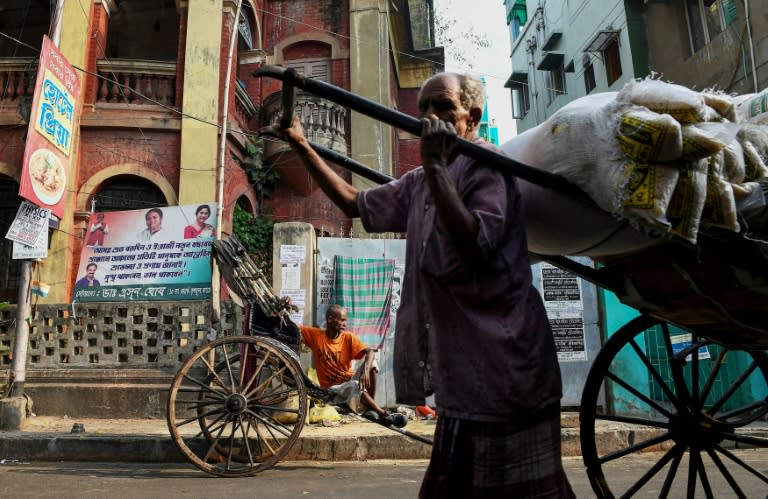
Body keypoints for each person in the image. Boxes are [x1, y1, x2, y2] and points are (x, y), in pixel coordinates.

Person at [272, 73, 574, 498]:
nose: (430, 117)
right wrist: (301, 144)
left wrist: (434, 167)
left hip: (506, 365)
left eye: (444, 107)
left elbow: (473, 247)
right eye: (424, 108)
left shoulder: (487, 168)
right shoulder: (418, 183)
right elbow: (354, 203)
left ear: (472, 118)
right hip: (461, 370)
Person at [296, 302, 406, 428]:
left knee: (372, 364)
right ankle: (383, 414)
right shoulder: (316, 335)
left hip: (349, 381)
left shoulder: (348, 338)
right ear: (330, 319)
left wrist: (365, 369)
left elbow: (369, 351)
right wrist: (283, 306)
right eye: (342, 320)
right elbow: (293, 328)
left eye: (345, 320)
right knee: (355, 385)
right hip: (331, 389)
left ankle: (370, 406)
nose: (345, 323)